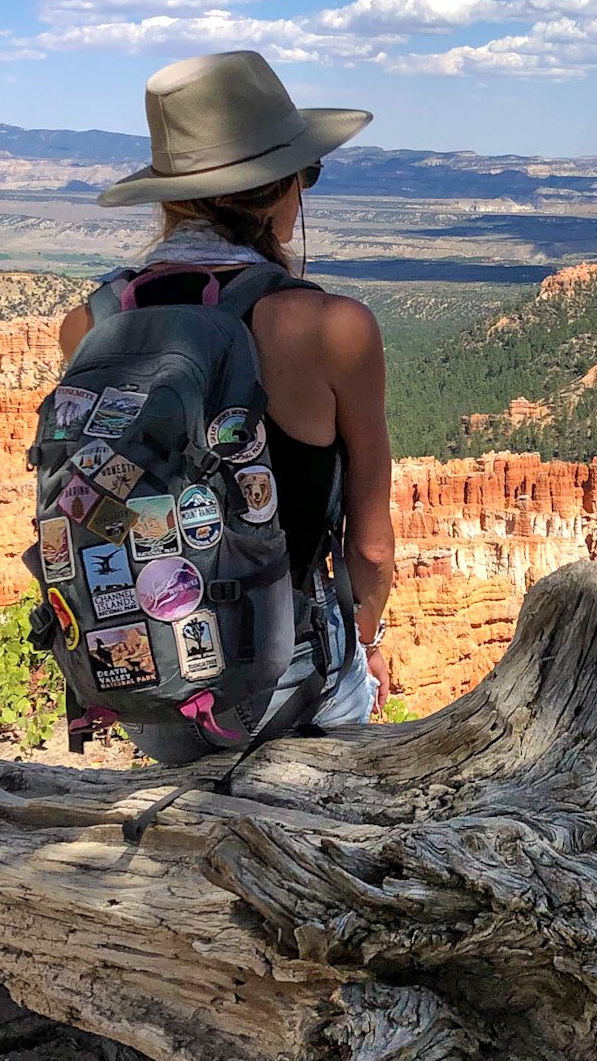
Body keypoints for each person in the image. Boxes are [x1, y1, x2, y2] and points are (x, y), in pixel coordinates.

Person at [57, 50, 394, 757]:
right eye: (306, 173)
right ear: (279, 191)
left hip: (148, 677)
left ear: (169, 195)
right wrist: (370, 637)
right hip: (291, 679)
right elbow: (371, 545)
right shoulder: (336, 328)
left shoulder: (91, 324)